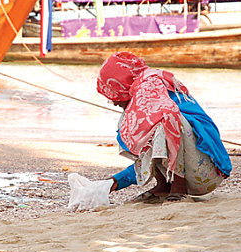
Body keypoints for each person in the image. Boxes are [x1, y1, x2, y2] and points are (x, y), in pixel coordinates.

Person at [68, 52, 232, 209]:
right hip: (194, 173)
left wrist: (113, 183)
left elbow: (169, 120)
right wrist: (112, 183)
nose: (114, 102)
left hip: (207, 170)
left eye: (114, 96)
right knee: (128, 126)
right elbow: (150, 157)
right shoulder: (139, 92)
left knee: (163, 120)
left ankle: (178, 186)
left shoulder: (150, 86)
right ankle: (164, 185)